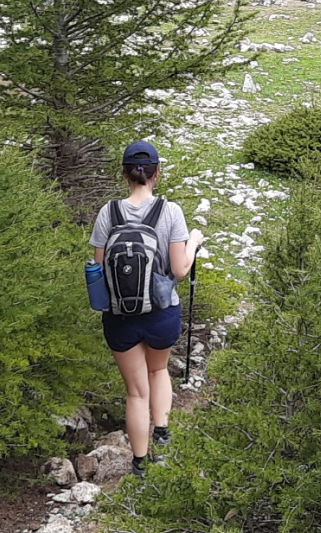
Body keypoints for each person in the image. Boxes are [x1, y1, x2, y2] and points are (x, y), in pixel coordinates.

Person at [90, 140, 204, 477]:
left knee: (135, 392)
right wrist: (194, 242)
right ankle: (163, 435)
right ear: (157, 173)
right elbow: (180, 269)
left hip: (120, 318)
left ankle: (140, 464)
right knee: (159, 371)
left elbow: (99, 271)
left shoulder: (107, 213)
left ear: (124, 173)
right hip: (162, 311)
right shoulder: (171, 212)